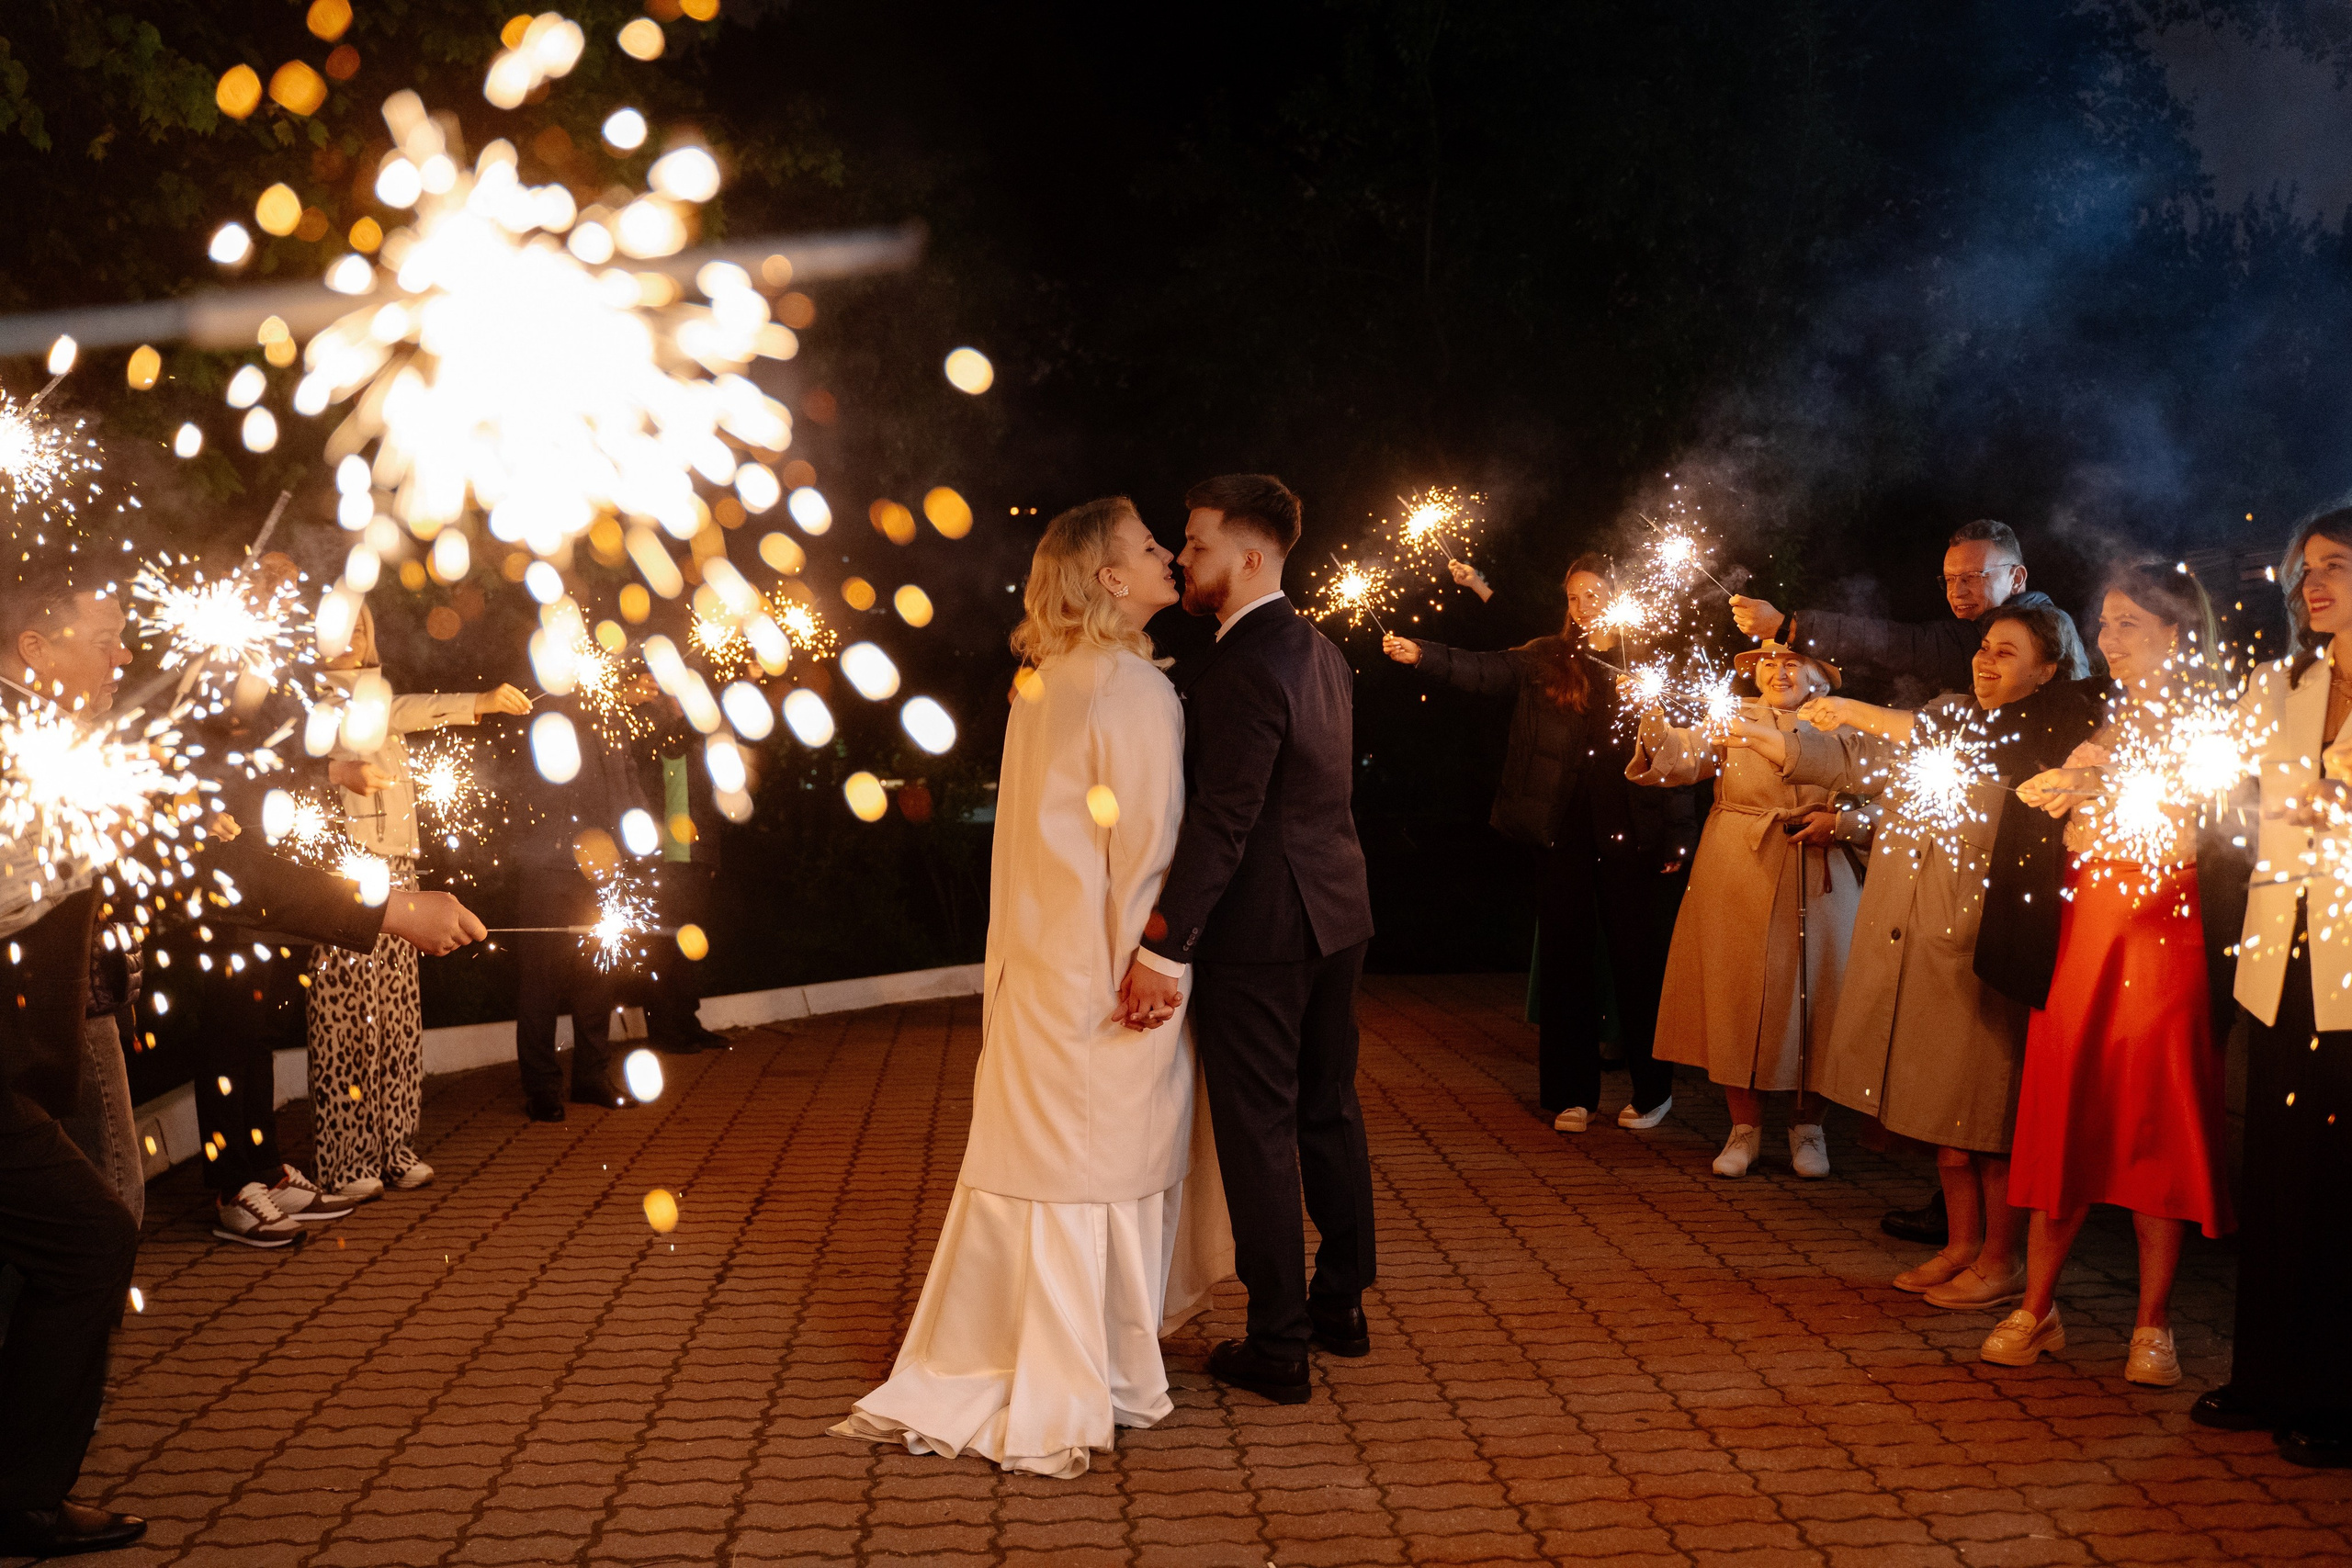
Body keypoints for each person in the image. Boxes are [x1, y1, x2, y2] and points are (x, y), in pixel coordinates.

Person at [0, 558, 487, 1559]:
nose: (124, 652)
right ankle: (19, 1499)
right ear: (35, 648)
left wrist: (388, 908)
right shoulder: (29, 758)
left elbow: (218, 858)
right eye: (104, 637)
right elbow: (213, 869)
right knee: (92, 1239)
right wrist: (390, 908)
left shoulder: (66, 746)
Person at [835, 497, 1231, 1475]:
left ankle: (1014, 1349)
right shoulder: (1133, 690)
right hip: (1104, 972)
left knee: (1049, 1165)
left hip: (1036, 970)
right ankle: (1097, 1365)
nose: (1167, 561)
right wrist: (1158, 958)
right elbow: (1145, 847)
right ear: (1108, 580)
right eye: (1148, 550)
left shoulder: (1046, 682)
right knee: (1107, 1161)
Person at [1739, 604, 2098, 1310]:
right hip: (1915, 935)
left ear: (2048, 670)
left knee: (1982, 1116)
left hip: (1975, 946)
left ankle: (2001, 1259)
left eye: (2007, 652)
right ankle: (1961, 1245)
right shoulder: (1951, 715)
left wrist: (1852, 708)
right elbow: (1880, 775)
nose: (1986, 661)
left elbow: (1906, 737)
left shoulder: (2038, 738)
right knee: (1942, 1115)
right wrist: (1803, 762)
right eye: (1984, 648)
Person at [1117, 473, 1377, 1405]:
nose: (1182, 559)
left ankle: (1279, 1344)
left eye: (1194, 544)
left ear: (1250, 556)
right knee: (1327, 1108)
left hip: (1264, 931)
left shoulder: (1240, 667)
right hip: (1337, 916)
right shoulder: (1318, 653)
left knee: (1261, 1128)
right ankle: (1341, 1306)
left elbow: (1223, 822)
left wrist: (1163, 945)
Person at [1976, 563, 2236, 1384]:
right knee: (2066, 1115)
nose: (2106, 639)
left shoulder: (2215, 723)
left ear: (2175, 632)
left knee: (2155, 1119)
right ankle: (2039, 1303)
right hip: (2084, 938)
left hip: (2164, 942)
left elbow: (2207, 830)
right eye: (2105, 623)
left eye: (2125, 623)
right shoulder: (2102, 712)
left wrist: (2106, 787)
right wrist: (2066, 797)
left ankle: (2152, 1323)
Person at [1382, 554, 1694, 1134]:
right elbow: (1485, 670)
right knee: (1565, 959)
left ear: (1620, 596)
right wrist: (1424, 655)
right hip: (1563, 829)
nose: (1583, 606)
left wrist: (1679, 834)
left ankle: (1654, 1091)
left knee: (1637, 962)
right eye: (1574, 596)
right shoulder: (1550, 657)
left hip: (1632, 831)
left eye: (1595, 594)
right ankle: (1572, 1095)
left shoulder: (1649, 663)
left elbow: (1682, 757)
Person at [2190, 509, 2352, 1468]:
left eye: (2334, 566)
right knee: (2280, 1168)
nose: (2309, 585)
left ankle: (2337, 1392)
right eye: (2305, 570)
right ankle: (2268, 1373)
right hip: (2280, 953)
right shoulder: (2280, 683)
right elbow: (2215, 788)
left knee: (2342, 1181)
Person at [311, 602, 530, 1199]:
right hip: (344, 869)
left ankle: (394, 1147)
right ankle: (345, 1158)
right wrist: (477, 701)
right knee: (347, 1019)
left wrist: (480, 703)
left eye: (362, 623)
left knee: (400, 1014)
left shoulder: (373, 689)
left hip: (399, 863)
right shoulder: (306, 701)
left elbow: (397, 711)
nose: (355, 633)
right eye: (341, 624)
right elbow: (397, 714)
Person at [1628, 642, 1859, 1178]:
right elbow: (1680, 762)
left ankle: (1809, 1130)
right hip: (1738, 862)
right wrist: (1653, 717)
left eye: (1792, 662)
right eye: (1768, 663)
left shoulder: (1845, 724)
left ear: (1820, 678)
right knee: (1736, 992)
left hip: (1818, 862)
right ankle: (1743, 1131)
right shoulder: (1729, 717)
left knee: (1816, 994)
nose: (1778, 671)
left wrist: (1845, 821)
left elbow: (1870, 786)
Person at [508, 694, 655, 1122]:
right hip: (550, 867)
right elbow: (527, 787)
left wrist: (637, 832)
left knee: (598, 971)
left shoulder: (609, 711)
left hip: (605, 866)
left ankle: (591, 1077)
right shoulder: (539, 709)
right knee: (542, 979)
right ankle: (541, 1088)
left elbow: (627, 777)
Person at [640, 704, 729, 1054]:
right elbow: (668, 742)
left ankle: (688, 1024)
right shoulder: (648, 736)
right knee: (660, 949)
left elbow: (712, 804)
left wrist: (712, 858)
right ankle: (663, 1029)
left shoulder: (701, 743)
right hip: (658, 859)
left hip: (694, 858)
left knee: (689, 945)